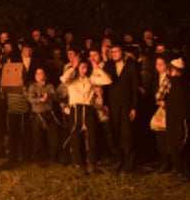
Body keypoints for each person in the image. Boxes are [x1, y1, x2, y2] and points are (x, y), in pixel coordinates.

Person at [60, 58, 112, 175]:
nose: (84, 69)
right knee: (75, 137)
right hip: (76, 109)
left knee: (92, 136)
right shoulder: (72, 81)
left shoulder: (91, 80)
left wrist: (96, 67)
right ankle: (79, 164)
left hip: (89, 109)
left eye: (86, 67)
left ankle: (92, 163)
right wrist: (73, 66)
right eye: (82, 67)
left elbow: (107, 80)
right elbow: (63, 78)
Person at [105, 43, 141, 173]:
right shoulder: (109, 66)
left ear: (123, 52)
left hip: (126, 104)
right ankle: (119, 160)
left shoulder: (131, 66)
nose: (114, 54)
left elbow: (134, 88)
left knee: (127, 133)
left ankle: (129, 162)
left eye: (116, 51)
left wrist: (134, 107)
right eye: (112, 52)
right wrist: (106, 104)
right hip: (113, 104)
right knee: (116, 132)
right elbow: (105, 86)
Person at [26, 67, 62, 165]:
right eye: (37, 73)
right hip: (37, 115)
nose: (38, 75)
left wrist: (51, 96)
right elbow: (30, 98)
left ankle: (54, 157)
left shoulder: (49, 86)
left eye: (41, 73)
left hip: (48, 114)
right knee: (38, 137)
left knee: (54, 136)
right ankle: (39, 159)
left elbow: (55, 97)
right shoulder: (32, 87)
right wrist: (41, 99)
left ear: (45, 76)